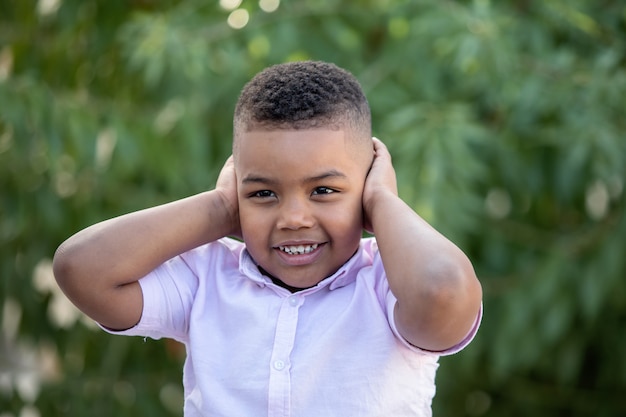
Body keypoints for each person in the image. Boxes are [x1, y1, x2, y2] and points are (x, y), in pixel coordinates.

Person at [53, 60, 482, 416]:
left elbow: (444, 292)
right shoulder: (207, 278)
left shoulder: (388, 286)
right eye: (263, 193)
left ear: (366, 185)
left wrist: (383, 200)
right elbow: (81, 269)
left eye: (324, 190)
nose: (293, 218)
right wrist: (219, 209)